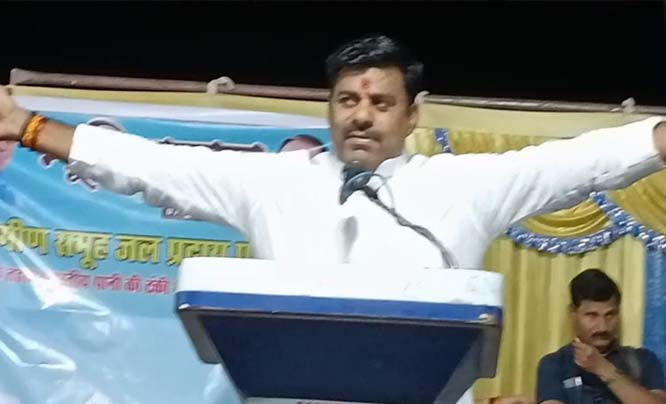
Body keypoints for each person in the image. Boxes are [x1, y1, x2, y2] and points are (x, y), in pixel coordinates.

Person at [1, 35, 666, 404]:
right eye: (347, 100)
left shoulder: (464, 186)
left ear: (412, 114)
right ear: (330, 108)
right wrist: (28, 126)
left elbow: (574, 164)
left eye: (381, 102)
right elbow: (150, 165)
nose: (361, 115)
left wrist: (657, 140)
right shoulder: (277, 182)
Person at [536, 269, 666, 404]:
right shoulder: (555, 364)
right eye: (592, 315)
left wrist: (604, 369)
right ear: (573, 313)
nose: (602, 327)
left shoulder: (643, 360)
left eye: (610, 315)